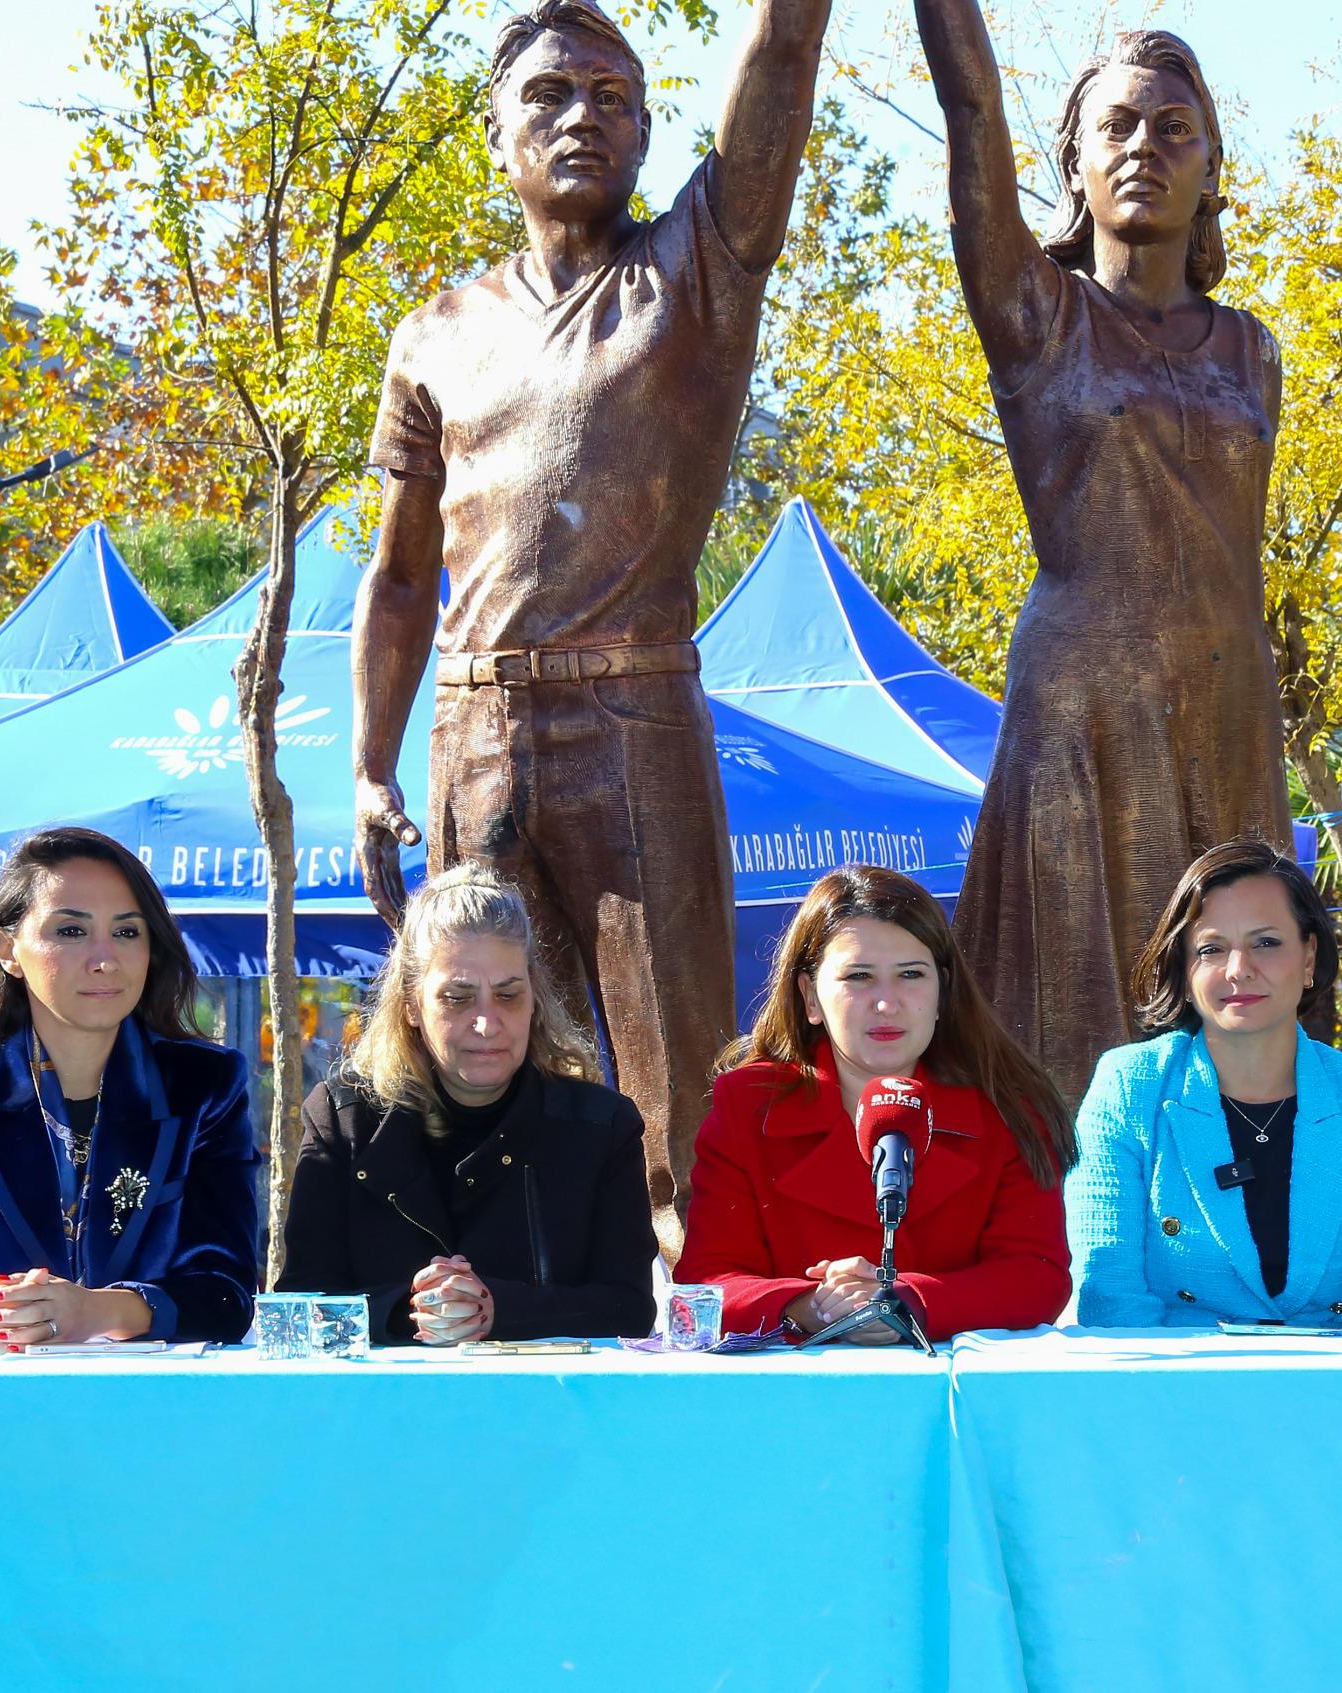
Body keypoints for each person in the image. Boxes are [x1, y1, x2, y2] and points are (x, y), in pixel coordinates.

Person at [352, 0, 834, 1249]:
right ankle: (509, 1301)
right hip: (472, 727)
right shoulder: (435, 334)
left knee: (677, 1062)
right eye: (550, 96)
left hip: (634, 715)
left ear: (646, 135)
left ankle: (703, 1299)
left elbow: (780, 64)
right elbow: (402, 574)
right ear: (497, 135)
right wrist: (366, 762)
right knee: (484, 1051)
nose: (581, 119)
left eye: (612, 99)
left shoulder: (693, 274)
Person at [912, 3, 1294, 1105]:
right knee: (1070, 1013)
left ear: (1214, 167)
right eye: (1117, 126)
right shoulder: (1038, 312)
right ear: (1073, 165)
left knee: (1239, 1005)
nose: (1144, 148)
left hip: (1226, 707)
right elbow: (972, 110)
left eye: (1175, 128)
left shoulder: (1251, 349)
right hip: (1083, 708)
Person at [0, 827, 257, 1353]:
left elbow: (226, 1295)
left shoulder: (204, 1084)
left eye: (128, 933)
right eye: (70, 931)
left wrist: (94, 1312)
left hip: (165, 1401)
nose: (104, 958)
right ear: (7, 949)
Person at [678, 866, 1074, 1342]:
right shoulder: (747, 1108)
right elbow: (706, 1283)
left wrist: (905, 1302)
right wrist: (812, 1307)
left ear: (942, 990)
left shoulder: (1009, 1109)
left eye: (911, 974)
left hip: (961, 1397)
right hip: (795, 1397)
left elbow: (1038, 1277)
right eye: (859, 977)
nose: (887, 1004)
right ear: (810, 997)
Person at [279, 865, 657, 1342]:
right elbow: (302, 1305)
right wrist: (409, 1312)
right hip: (385, 1409)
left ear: (534, 998)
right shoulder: (341, 1118)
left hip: (549, 1408)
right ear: (412, 1006)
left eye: (507, 996)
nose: (486, 1023)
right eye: (457, 998)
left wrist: (496, 1309)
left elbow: (630, 1308)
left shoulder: (601, 1127)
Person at [1068, 841, 1342, 1327]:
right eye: (1211, 949)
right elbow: (1111, 1300)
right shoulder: (1128, 1088)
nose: (1238, 969)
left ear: (1309, 954)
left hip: (1337, 1388)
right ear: (1184, 969)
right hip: (1171, 1387)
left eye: (1266, 942)